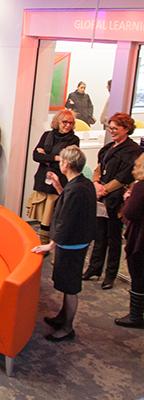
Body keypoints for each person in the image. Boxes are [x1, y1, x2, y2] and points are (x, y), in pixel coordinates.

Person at [32, 146, 96, 342]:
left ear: (66, 164)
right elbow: (66, 200)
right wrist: (58, 185)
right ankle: (62, 317)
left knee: (70, 287)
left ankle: (67, 327)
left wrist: (51, 245)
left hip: (72, 244)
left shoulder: (77, 188)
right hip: (75, 242)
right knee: (66, 284)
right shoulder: (81, 183)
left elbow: (67, 219)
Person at [82, 113, 142, 289]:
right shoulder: (108, 148)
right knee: (99, 235)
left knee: (114, 239)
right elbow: (99, 168)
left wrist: (104, 189)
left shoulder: (134, 151)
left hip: (115, 202)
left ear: (126, 129)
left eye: (116, 128)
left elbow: (124, 177)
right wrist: (95, 183)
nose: (112, 131)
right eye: (110, 127)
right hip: (102, 198)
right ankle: (94, 268)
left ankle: (110, 274)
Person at [26, 109, 79, 248]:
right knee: (43, 216)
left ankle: (52, 246)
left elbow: (68, 160)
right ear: (57, 122)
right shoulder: (47, 135)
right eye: (65, 122)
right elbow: (36, 156)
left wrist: (47, 157)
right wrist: (56, 157)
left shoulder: (74, 140)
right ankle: (44, 245)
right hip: (44, 179)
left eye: (71, 123)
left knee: (53, 215)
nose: (68, 125)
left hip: (59, 181)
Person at [115, 153, 144, 328]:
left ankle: (135, 316)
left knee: (138, 276)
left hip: (141, 239)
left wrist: (127, 200)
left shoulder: (141, 187)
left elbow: (130, 213)